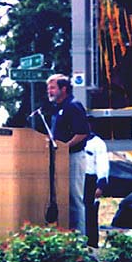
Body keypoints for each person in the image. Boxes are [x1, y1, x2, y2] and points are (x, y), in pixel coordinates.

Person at [46, 73, 89, 234]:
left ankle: (80, 238)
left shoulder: (73, 106)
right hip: (61, 159)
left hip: (74, 157)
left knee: (74, 198)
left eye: (52, 87)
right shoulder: (58, 109)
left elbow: (83, 133)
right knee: (62, 198)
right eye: (48, 88)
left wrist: (64, 148)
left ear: (63, 89)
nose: (49, 91)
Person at [84, 116, 109, 247]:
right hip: (77, 179)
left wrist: (100, 185)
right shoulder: (75, 141)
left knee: (90, 213)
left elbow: (102, 165)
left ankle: (92, 243)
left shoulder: (98, 143)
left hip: (90, 180)